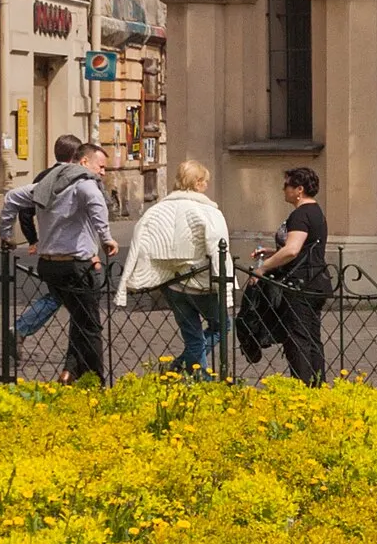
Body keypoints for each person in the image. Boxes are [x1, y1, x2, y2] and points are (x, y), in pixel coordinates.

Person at [113, 158, 234, 374]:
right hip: (202, 285)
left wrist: (130, 282)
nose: (206, 186)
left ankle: (184, 368)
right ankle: (194, 377)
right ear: (197, 183)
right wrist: (226, 289)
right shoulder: (208, 212)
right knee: (222, 325)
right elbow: (219, 252)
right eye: (204, 182)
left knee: (192, 336)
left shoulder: (156, 211)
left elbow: (138, 246)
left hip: (172, 285)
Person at [24, 143, 117, 384]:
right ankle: (95, 381)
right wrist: (106, 240)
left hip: (52, 262)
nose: (104, 172)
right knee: (90, 325)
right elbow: (97, 206)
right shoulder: (85, 184)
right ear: (84, 161)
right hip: (76, 263)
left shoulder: (47, 179)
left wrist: (28, 237)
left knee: (80, 317)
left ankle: (70, 371)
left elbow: (16, 200)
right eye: (102, 166)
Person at [237, 165, 330, 384]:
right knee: (312, 338)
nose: (283, 189)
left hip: (299, 285)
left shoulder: (300, 214)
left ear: (299, 189)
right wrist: (271, 252)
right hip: (316, 281)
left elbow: (292, 250)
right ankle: (318, 386)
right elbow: (305, 248)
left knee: (297, 339)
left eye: (286, 185)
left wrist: (263, 268)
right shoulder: (316, 212)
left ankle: (303, 387)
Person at [0, 132, 86, 351]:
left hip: (49, 249)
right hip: (69, 251)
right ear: (76, 156)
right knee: (70, 299)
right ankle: (21, 330)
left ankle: (21, 331)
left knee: (61, 296)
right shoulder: (76, 177)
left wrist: (29, 238)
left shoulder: (43, 176)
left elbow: (25, 211)